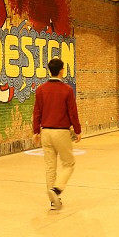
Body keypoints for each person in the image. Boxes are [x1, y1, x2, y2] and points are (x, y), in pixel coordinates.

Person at [32, 58, 81, 211]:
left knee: (50, 166)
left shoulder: (41, 89)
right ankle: (57, 189)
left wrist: (35, 131)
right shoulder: (67, 90)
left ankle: (53, 201)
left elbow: (36, 112)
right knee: (69, 164)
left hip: (45, 131)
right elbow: (72, 112)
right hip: (61, 132)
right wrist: (78, 130)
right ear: (61, 71)